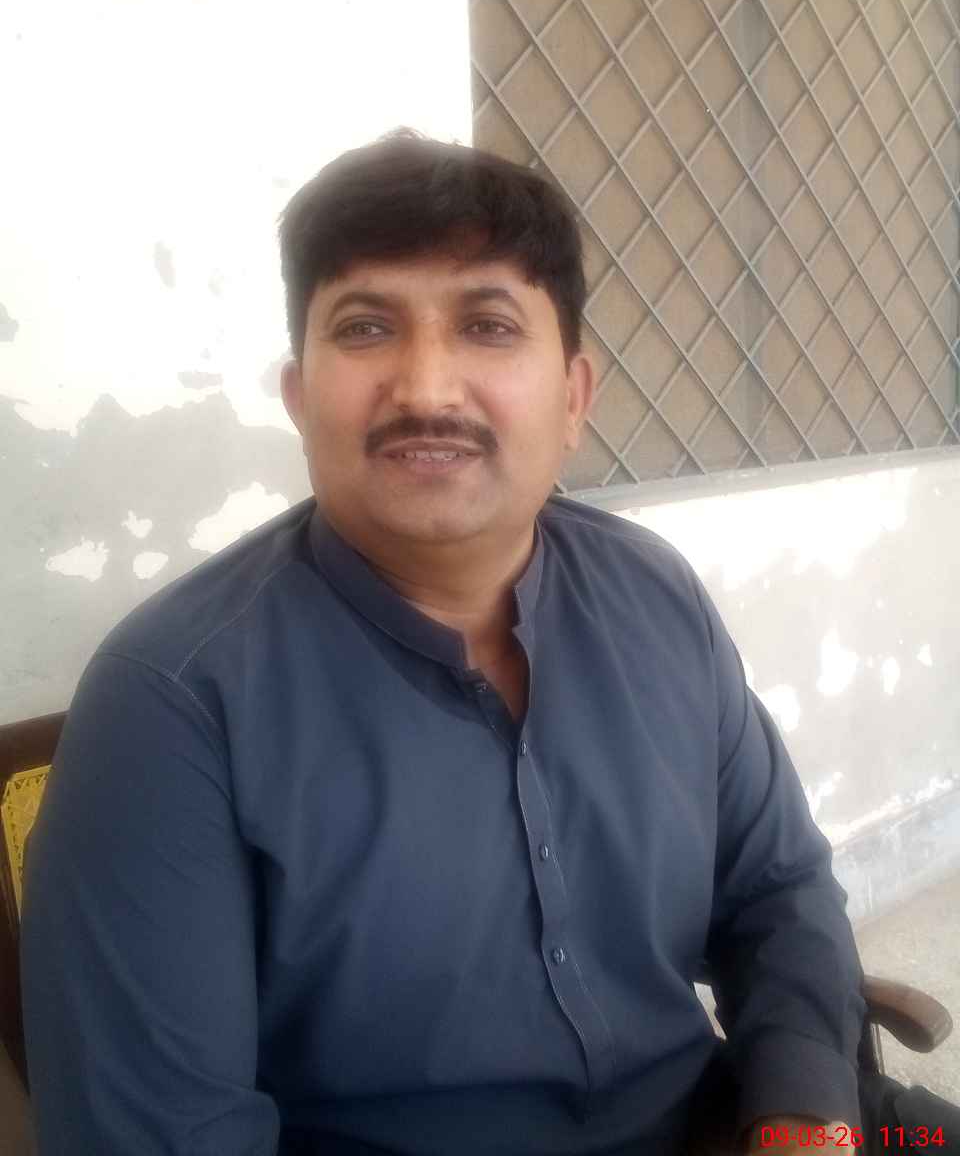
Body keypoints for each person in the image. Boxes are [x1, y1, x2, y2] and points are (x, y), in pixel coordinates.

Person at [19, 131, 955, 1155]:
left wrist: (804, 1113)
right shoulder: (170, 704)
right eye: (365, 326)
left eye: (487, 325)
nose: (426, 388)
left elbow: (777, 889)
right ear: (299, 397)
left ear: (573, 398)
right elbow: (165, 1134)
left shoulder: (657, 599)